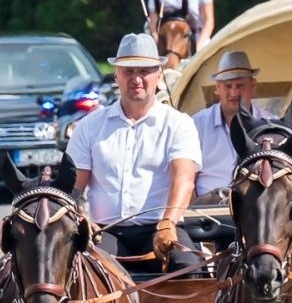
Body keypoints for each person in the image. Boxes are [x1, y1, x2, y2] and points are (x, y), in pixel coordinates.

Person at [65, 33, 203, 270]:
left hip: (161, 226)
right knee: (84, 269)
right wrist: (80, 218)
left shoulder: (179, 124)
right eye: (128, 71)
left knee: (188, 267)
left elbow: (184, 180)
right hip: (105, 231)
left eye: (144, 71)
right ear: (116, 75)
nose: (136, 79)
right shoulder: (89, 126)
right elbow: (73, 187)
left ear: (158, 74)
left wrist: (168, 223)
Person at [191, 50, 277, 199]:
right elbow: (187, 180)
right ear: (217, 88)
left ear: (253, 86)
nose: (234, 92)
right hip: (208, 209)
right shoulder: (197, 124)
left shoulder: (271, 125)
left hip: (255, 208)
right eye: (228, 86)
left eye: (240, 86)